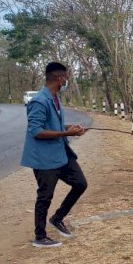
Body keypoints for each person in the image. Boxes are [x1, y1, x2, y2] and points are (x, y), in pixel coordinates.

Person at [21, 62, 88, 248]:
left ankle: (57, 218)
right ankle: (40, 237)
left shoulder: (55, 98)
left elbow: (53, 125)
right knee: (45, 196)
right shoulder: (39, 101)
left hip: (61, 153)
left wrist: (71, 128)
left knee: (80, 183)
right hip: (44, 158)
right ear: (59, 78)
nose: (66, 81)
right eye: (65, 78)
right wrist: (67, 134)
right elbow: (36, 131)